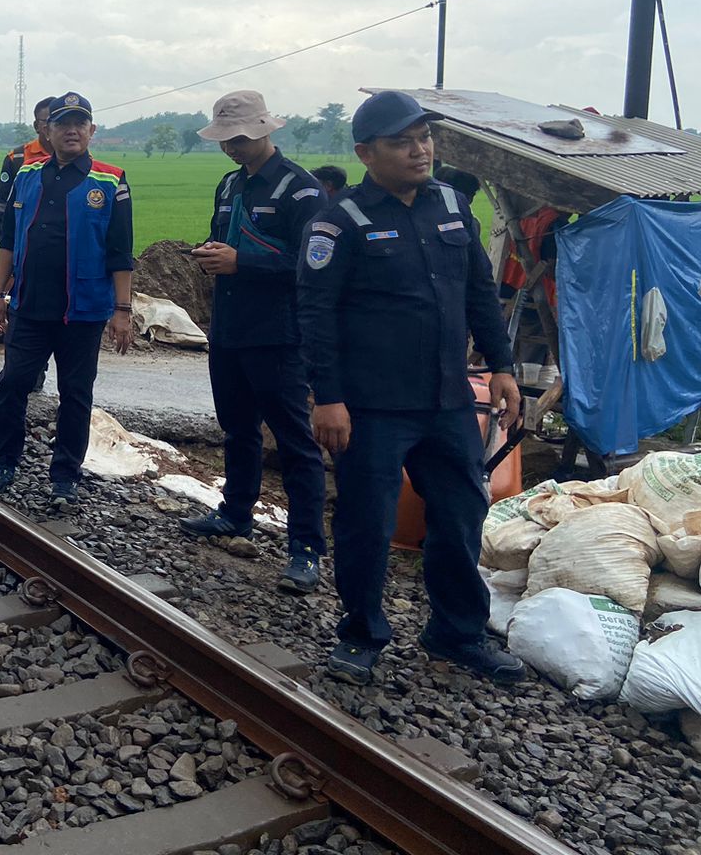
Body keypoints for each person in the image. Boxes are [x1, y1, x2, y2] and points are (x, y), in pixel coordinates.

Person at [297, 90, 523, 686]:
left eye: (425, 138)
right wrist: (328, 397)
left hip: (448, 401)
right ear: (366, 153)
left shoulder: (451, 204)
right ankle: (360, 633)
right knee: (367, 523)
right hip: (371, 407)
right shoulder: (339, 223)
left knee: (460, 515)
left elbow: (479, 291)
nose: (420, 150)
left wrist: (502, 365)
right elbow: (315, 316)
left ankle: (458, 632)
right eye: (403, 142)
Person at [182, 90, 329, 594]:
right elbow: (224, 241)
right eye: (225, 140)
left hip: (279, 336)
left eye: (239, 139)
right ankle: (235, 513)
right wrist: (212, 255)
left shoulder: (301, 191)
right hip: (229, 329)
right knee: (237, 429)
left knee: (294, 443)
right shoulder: (229, 185)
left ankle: (305, 549)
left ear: (265, 130)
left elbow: (314, 267)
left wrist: (242, 261)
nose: (232, 148)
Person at [0, 91, 134, 508]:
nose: (72, 130)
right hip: (29, 305)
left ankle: (65, 475)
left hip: (83, 311)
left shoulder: (110, 180)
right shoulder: (27, 175)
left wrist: (122, 310)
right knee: (12, 384)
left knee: (75, 394)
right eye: (63, 123)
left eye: (80, 123)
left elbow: (121, 251)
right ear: (47, 131)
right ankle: (3, 462)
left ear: (91, 130)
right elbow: (8, 241)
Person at [0, 97, 55, 250]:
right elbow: (1, 206)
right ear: (36, 126)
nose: (53, 127)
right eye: (48, 121)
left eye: (59, 122)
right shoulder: (17, 159)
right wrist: (7, 246)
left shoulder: (79, 160)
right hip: (25, 244)